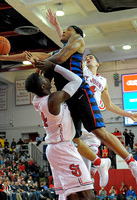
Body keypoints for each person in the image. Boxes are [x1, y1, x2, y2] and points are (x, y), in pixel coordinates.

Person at [0, 10, 137, 187]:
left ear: (76, 33)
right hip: (66, 96)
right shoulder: (58, 50)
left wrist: (42, 61)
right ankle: (100, 163)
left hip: (80, 91)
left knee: (99, 132)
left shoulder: (78, 41)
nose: (63, 32)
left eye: (67, 30)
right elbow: (33, 55)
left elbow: (59, 57)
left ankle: (134, 164)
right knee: (73, 139)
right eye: (63, 30)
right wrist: (4, 57)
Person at [25, 60, 94, 199]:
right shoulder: (54, 99)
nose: (47, 78)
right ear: (44, 85)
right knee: (87, 193)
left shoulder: (37, 101)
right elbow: (77, 80)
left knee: (71, 193)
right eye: (44, 78)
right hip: (63, 148)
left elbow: (36, 84)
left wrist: (38, 70)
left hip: (54, 149)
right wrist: (54, 67)